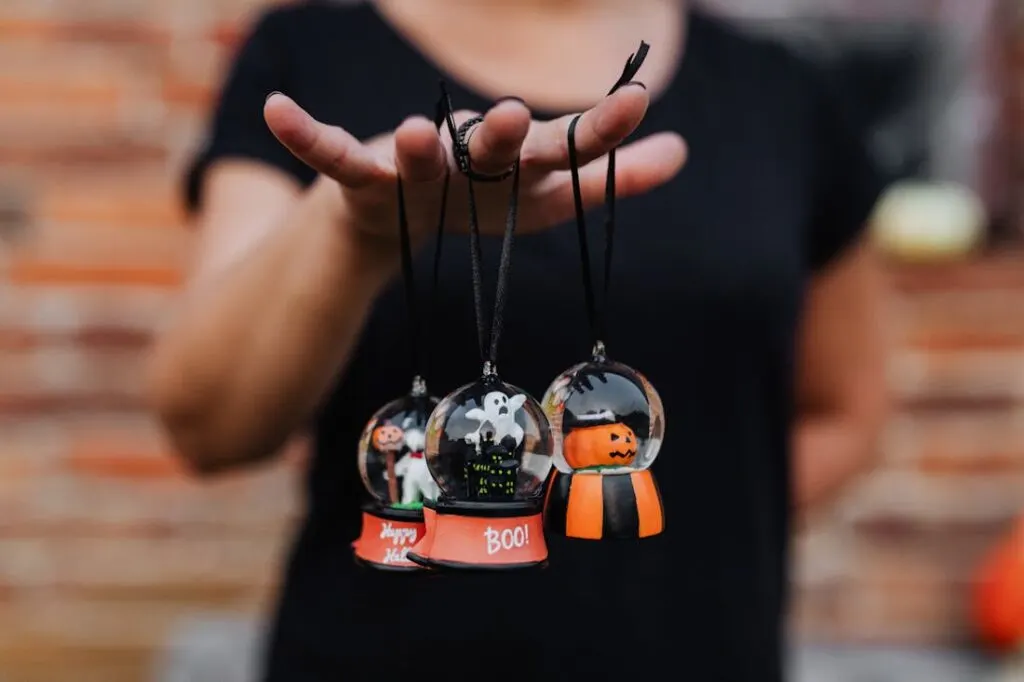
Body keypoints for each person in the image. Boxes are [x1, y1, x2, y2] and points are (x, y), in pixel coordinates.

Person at [147, 0, 890, 679]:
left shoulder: (784, 92)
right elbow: (207, 425)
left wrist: (652, 527)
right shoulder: (308, 52)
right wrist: (356, 233)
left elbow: (844, 413)